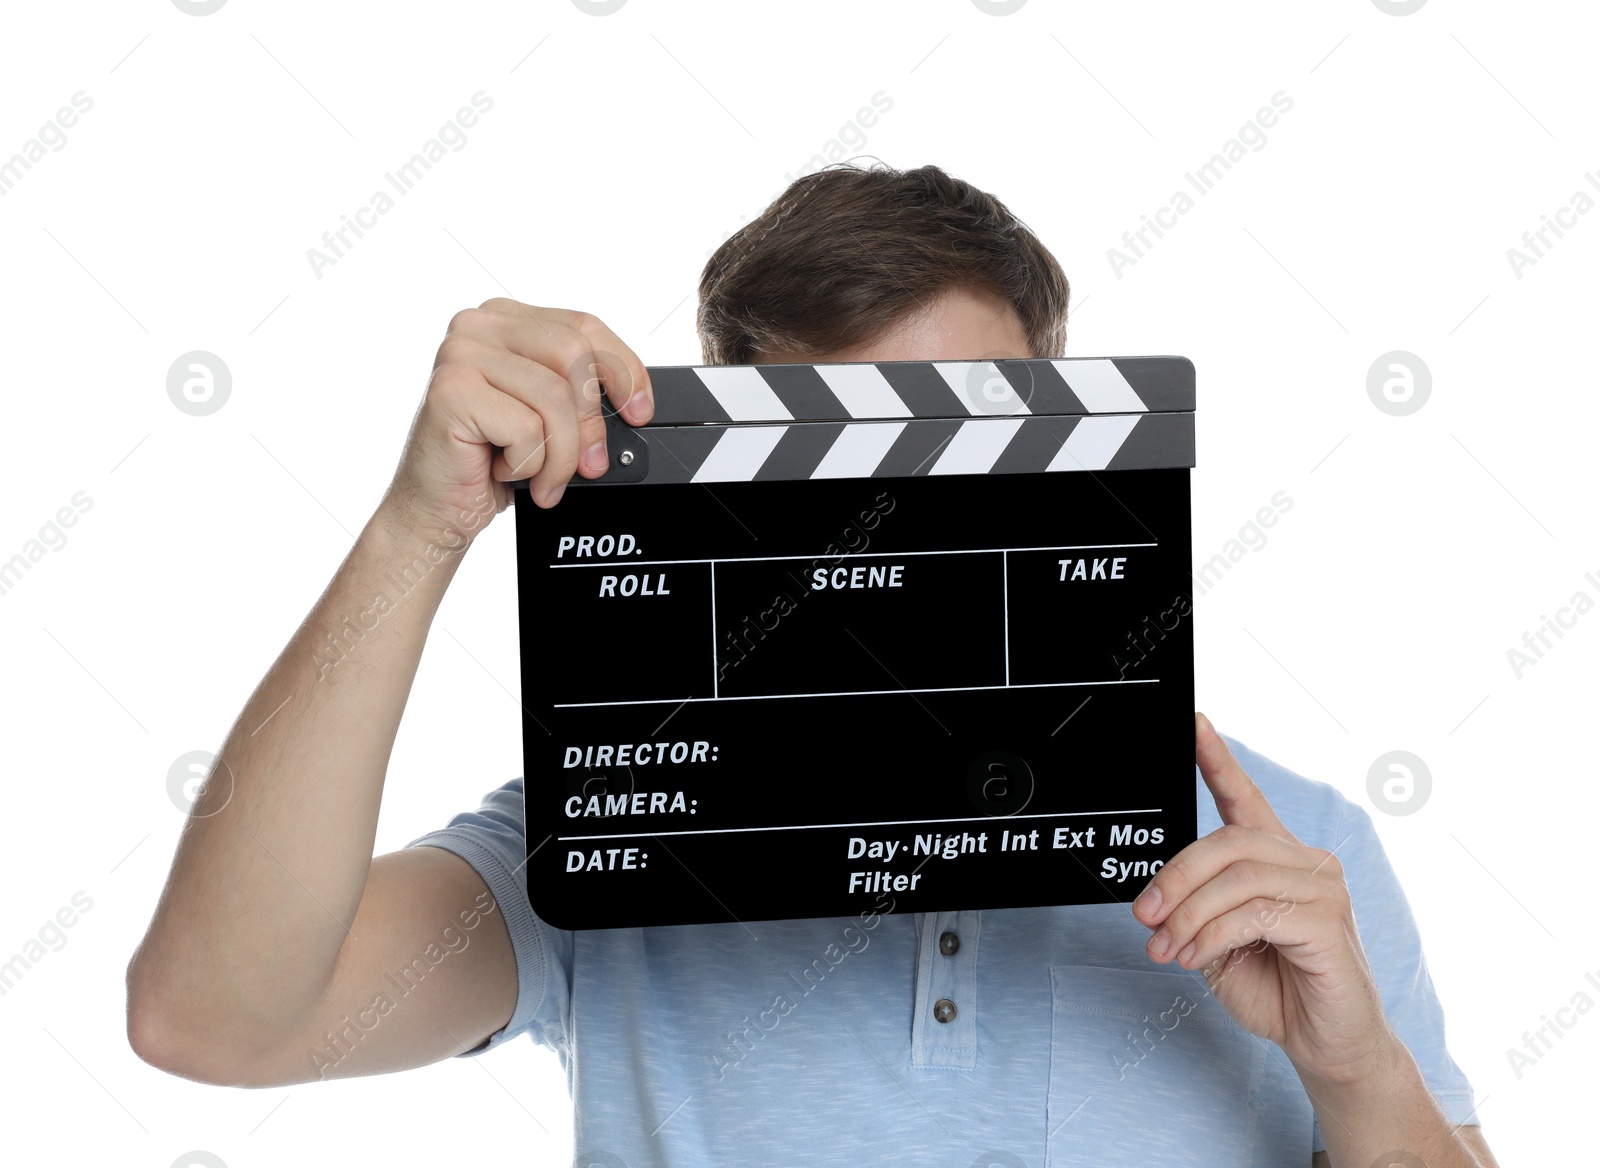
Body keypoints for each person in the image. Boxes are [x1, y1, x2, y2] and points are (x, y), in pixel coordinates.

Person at [126, 162, 1498, 1167]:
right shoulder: (619, 830)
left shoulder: (1290, 853)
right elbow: (214, 1021)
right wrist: (418, 527)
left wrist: (1356, 1068)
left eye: (968, 460)